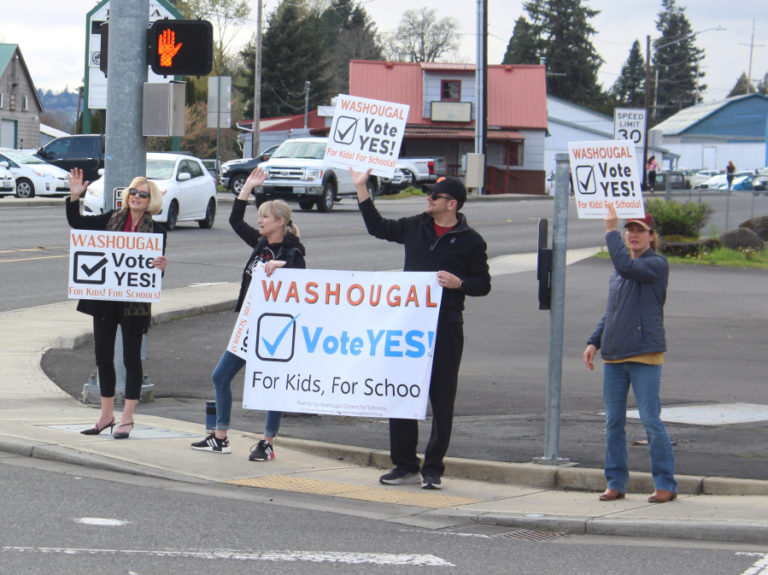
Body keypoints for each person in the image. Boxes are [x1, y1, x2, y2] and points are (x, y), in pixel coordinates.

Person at [351, 168, 491, 490]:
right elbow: (378, 227)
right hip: (409, 326)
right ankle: (404, 464)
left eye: (434, 196)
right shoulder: (416, 226)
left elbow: (483, 284)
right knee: (401, 392)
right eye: (428, 194)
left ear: (452, 204)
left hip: (445, 326)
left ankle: (433, 468)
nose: (427, 199)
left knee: (442, 399)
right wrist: (361, 188)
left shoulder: (471, 241)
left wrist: (460, 284)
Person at [190, 168, 305, 460]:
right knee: (220, 376)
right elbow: (234, 220)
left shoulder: (293, 252)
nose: (260, 220)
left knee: (271, 384)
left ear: (280, 222)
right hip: (248, 324)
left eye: (266, 217)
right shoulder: (261, 243)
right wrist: (247, 189)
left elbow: (304, 280)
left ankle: (267, 442)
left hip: (275, 330)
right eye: (260, 216)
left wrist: (283, 268)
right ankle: (220, 437)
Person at [582, 204, 677, 504]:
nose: (633, 235)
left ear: (651, 236)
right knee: (613, 421)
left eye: (640, 230)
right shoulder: (619, 271)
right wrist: (594, 341)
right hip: (614, 357)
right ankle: (616, 481)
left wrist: (609, 231)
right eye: (629, 229)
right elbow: (612, 311)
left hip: (645, 355)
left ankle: (666, 483)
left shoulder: (656, 265)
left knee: (650, 419)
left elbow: (627, 267)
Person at [66, 168, 168, 439]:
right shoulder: (111, 218)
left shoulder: (156, 230)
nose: (136, 196)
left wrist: (161, 266)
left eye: (142, 194)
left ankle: (127, 418)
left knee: (132, 359)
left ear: (151, 200)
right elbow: (77, 223)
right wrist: (75, 196)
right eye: (133, 191)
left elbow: (152, 273)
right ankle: (106, 415)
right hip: (105, 301)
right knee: (103, 356)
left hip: (134, 304)